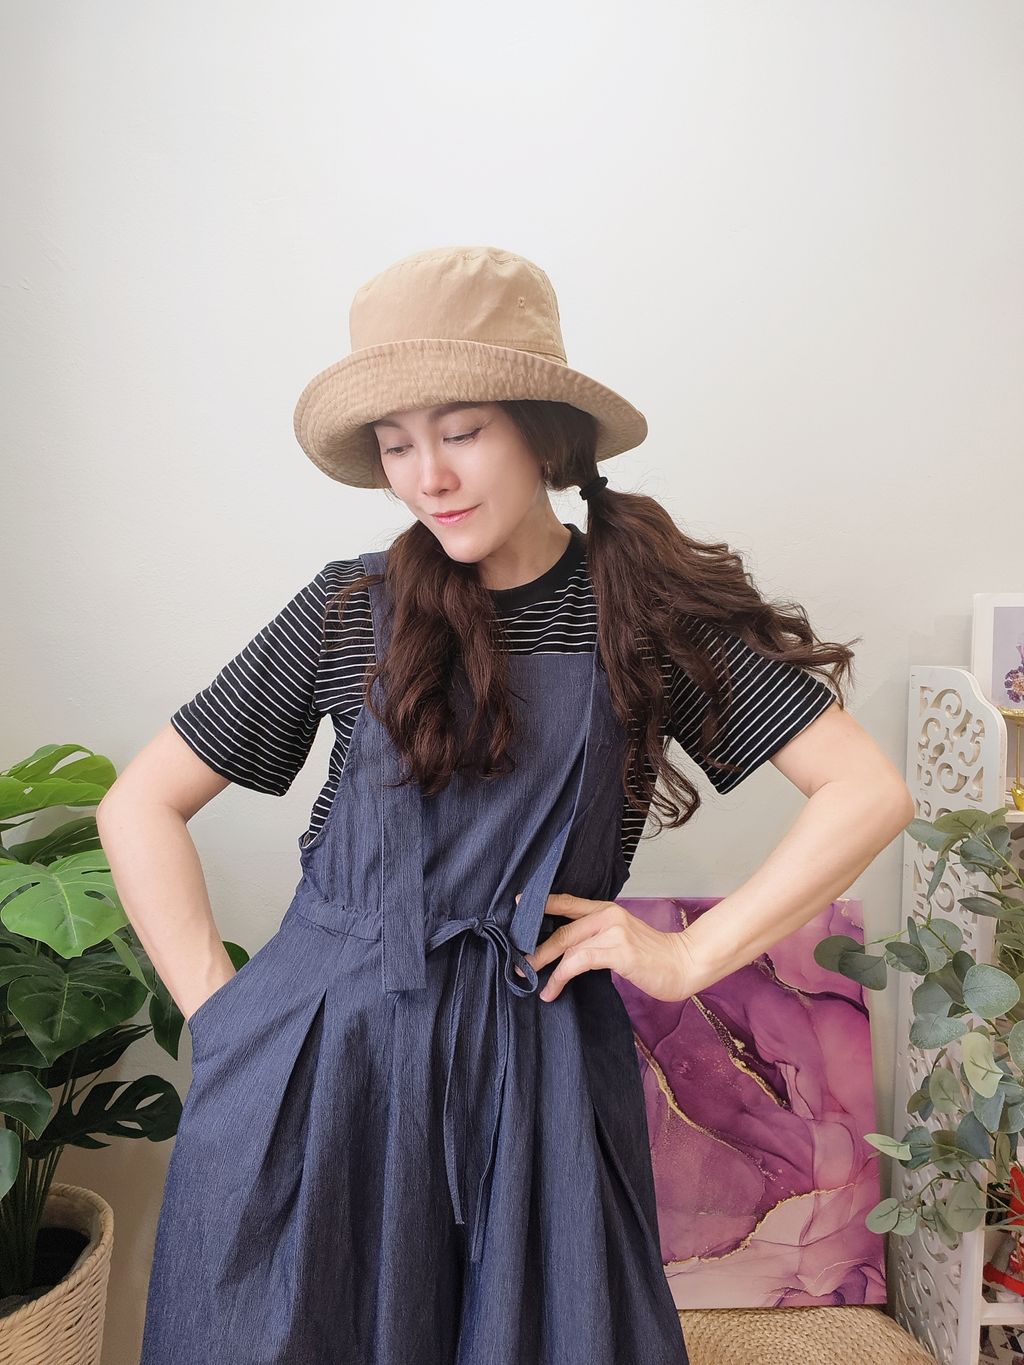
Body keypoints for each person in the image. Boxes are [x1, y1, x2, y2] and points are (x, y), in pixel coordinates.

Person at [99, 245, 914, 1364]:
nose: (427, 476)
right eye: (397, 444)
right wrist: (227, 1021)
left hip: (536, 1067)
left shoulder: (643, 617)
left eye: (462, 431)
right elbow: (139, 804)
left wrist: (689, 957)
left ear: (544, 433)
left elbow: (866, 791)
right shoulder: (351, 606)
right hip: (328, 1065)